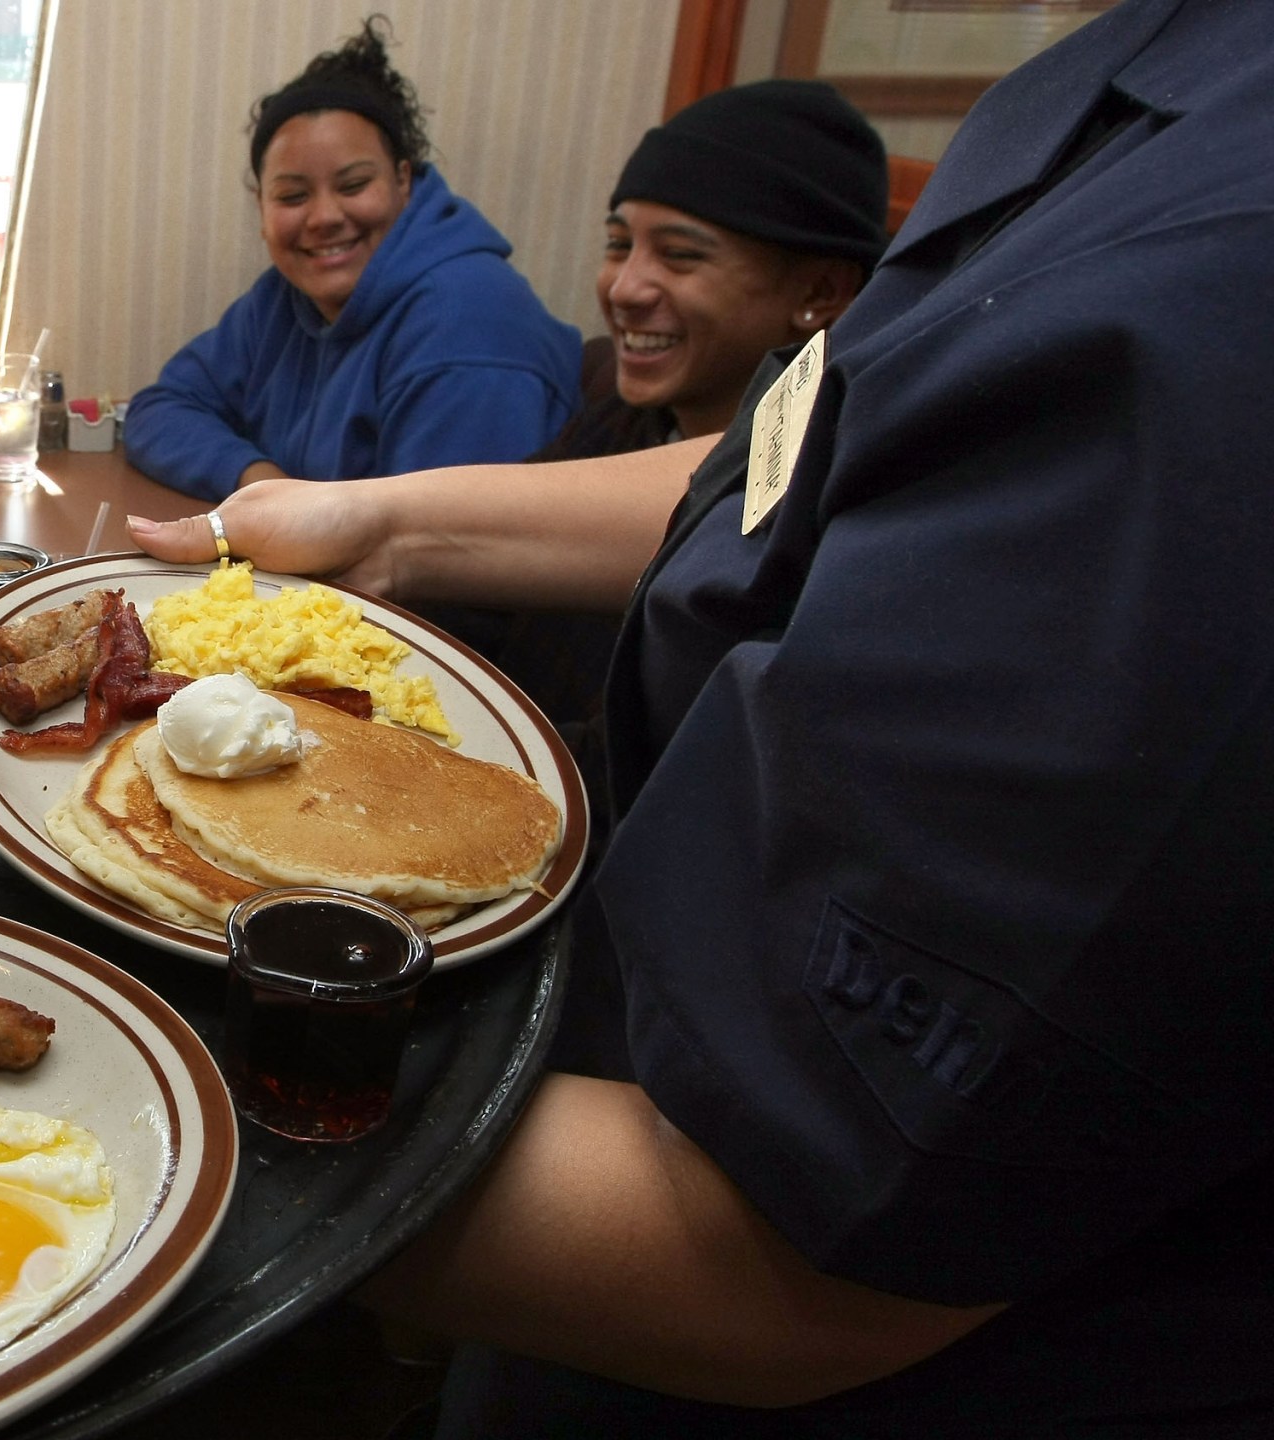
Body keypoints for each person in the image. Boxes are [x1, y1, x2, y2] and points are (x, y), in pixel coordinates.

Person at [131, 0, 1274, 1430]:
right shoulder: (1125, 81)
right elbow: (806, 469)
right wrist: (379, 528)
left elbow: (781, 1246)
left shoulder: (1228, 277)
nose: (633, 286)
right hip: (612, 1082)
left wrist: (120, 1070)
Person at [444, 78, 886, 749]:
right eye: (620, 245)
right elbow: (471, 588)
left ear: (821, 291)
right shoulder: (617, 419)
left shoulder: (824, 523)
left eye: (680, 256)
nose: (624, 289)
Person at [119, 17, 580, 501]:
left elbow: (441, 555)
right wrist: (264, 483)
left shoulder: (469, 322)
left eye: (354, 185)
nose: (323, 217)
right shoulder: (281, 299)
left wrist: (296, 514)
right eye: (293, 195)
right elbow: (159, 409)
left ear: (404, 180)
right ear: (261, 207)